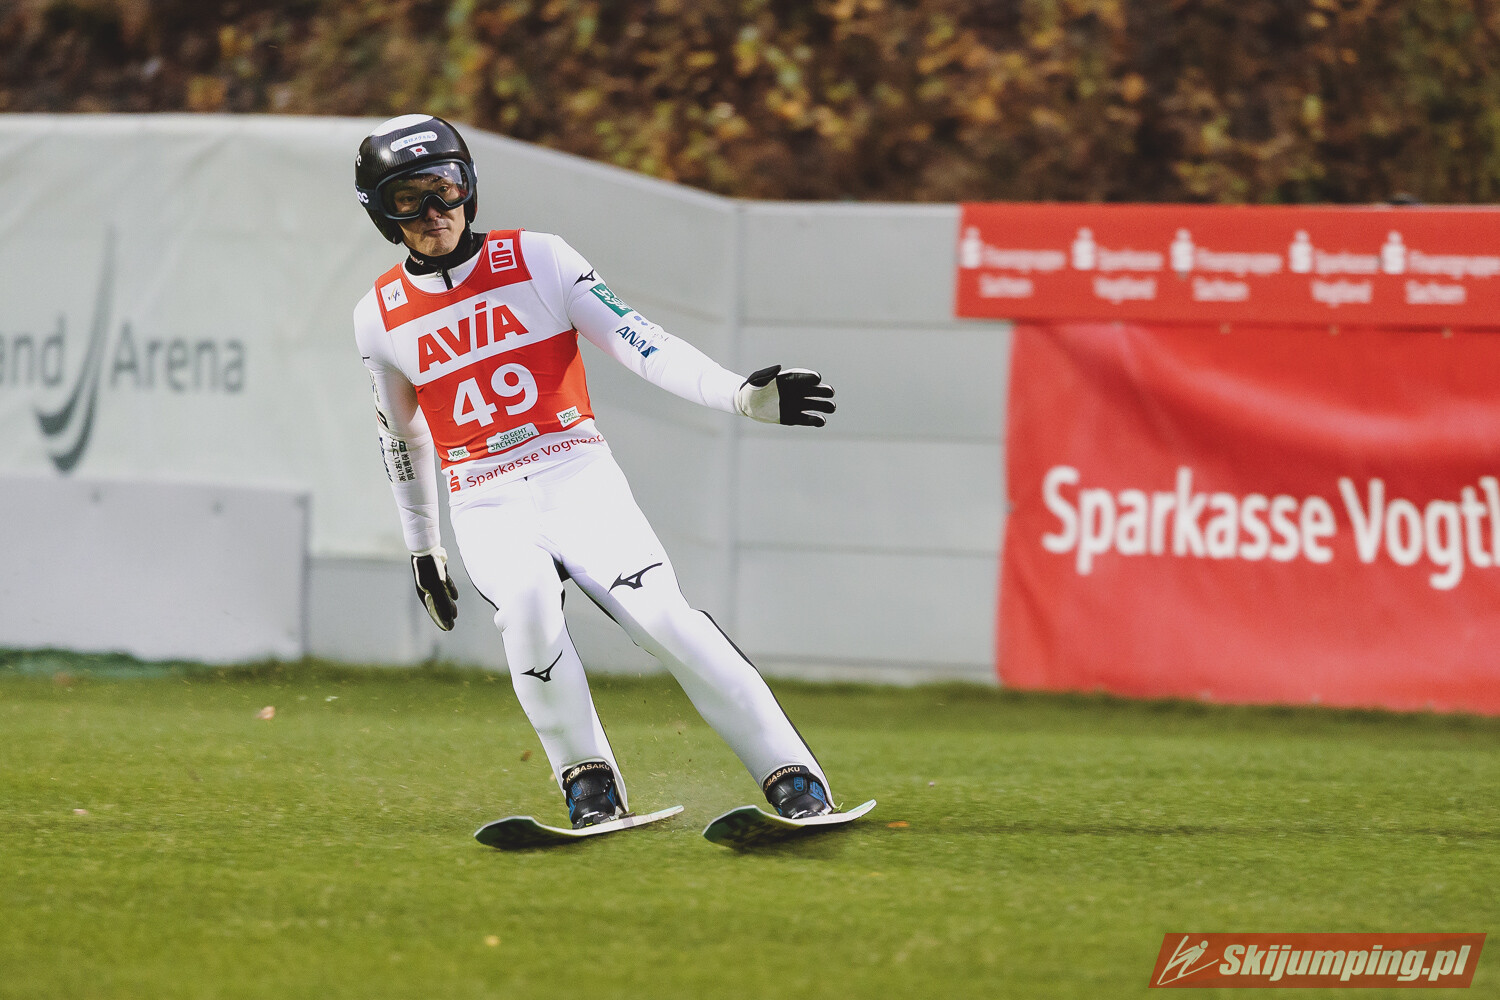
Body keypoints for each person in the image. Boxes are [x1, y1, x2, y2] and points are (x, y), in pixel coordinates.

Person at [352, 114, 839, 829]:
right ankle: (589, 792)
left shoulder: (540, 257)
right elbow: (401, 436)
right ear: (381, 213)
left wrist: (739, 394)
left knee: (662, 617)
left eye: (445, 188)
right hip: (483, 499)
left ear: (469, 187)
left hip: (575, 476)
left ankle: (795, 780)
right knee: (526, 613)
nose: (433, 212)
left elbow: (643, 342)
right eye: (408, 198)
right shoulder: (377, 315)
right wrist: (423, 546)